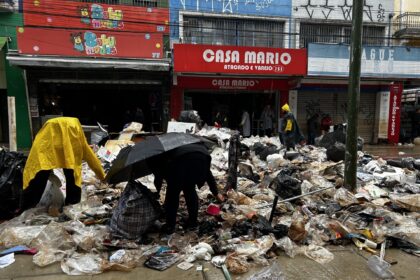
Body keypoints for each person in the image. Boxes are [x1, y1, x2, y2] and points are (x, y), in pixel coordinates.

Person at [22, 117, 106, 210]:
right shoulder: (74, 134)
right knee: (72, 176)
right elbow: (91, 157)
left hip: (47, 147)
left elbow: (31, 166)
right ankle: (71, 207)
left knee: (39, 177)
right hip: (64, 150)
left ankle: (26, 210)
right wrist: (103, 177)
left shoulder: (44, 139)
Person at [151, 143, 224, 234]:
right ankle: (193, 222)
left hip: (183, 162)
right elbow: (207, 173)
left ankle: (170, 226)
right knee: (189, 188)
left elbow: (159, 177)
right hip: (203, 156)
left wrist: (156, 194)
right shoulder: (176, 145)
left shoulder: (159, 157)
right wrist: (216, 193)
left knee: (172, 194)